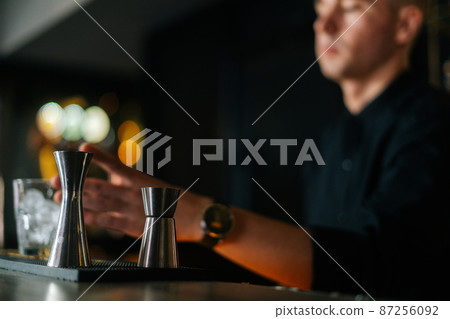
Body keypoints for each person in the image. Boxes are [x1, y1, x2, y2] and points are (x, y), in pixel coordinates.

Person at [51, 0, 450, 299]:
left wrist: (199, 219)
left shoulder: (433, 122)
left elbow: (374, 265)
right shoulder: (328, 139)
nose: (324, 23)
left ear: (405, 24)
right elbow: (320, 270)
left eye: (350, 7)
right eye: (320, 7)